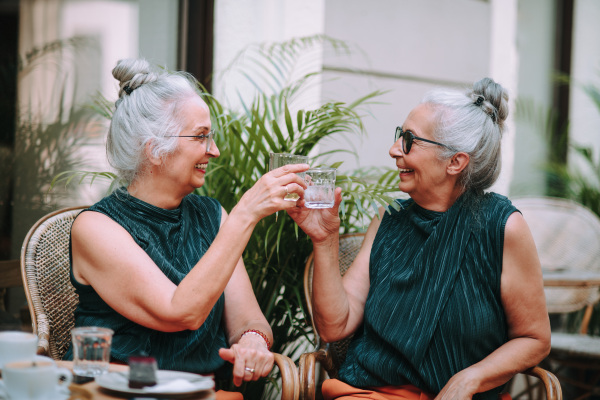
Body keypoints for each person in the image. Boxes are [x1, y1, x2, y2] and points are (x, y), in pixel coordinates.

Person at [288, 78, 551, 400]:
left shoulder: (502, 228)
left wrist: (469, 379)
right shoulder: (388, 218)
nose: (394, 149)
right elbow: (334, 327)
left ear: (455, 162)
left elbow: (534, 338)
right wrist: (325, 240)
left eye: (409, 140)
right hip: (369, 394)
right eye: (400, 135)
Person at [63, 58, 308, 398]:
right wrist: (245, 215)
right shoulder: (96, 228)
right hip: (120, 392)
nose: (216, 150)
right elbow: (180, 313)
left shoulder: (211, 215)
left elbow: (249, 320)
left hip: (202, 393)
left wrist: (253, 341)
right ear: (155, 151)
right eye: (201, 137)